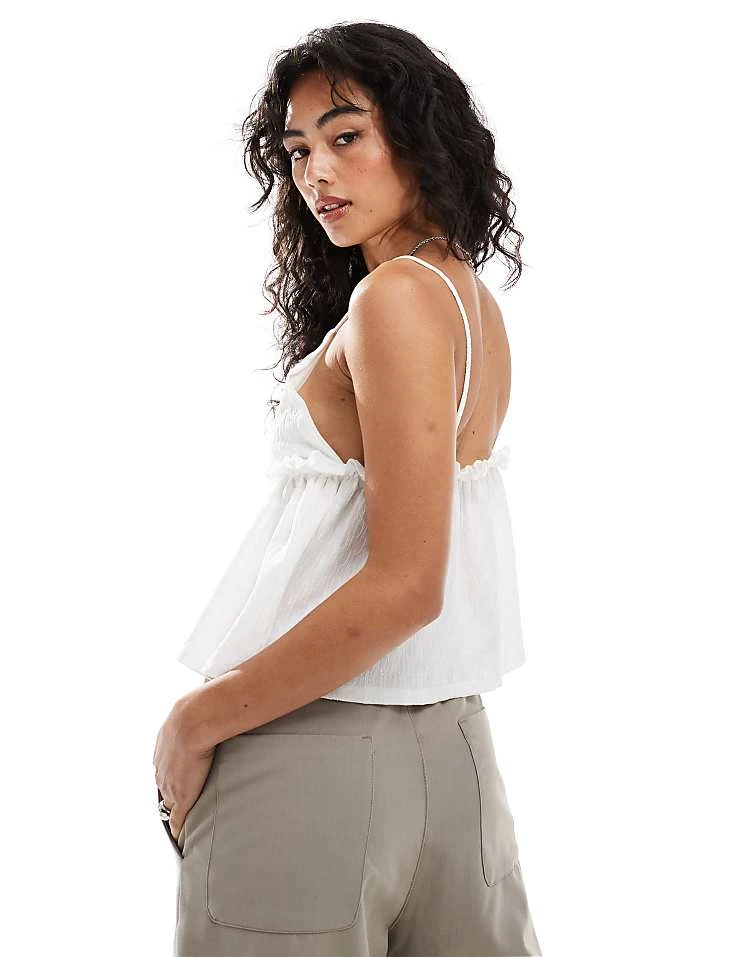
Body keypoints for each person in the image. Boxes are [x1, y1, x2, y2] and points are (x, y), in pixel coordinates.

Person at [153, 20, 542, 956]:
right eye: (297, 151)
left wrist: (194, 721)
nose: (316, 173)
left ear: (420, 135)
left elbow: (408, 584)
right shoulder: (467, 300)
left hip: (312, 754)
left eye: (346, 135)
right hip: (454, 756)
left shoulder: (395, 298)